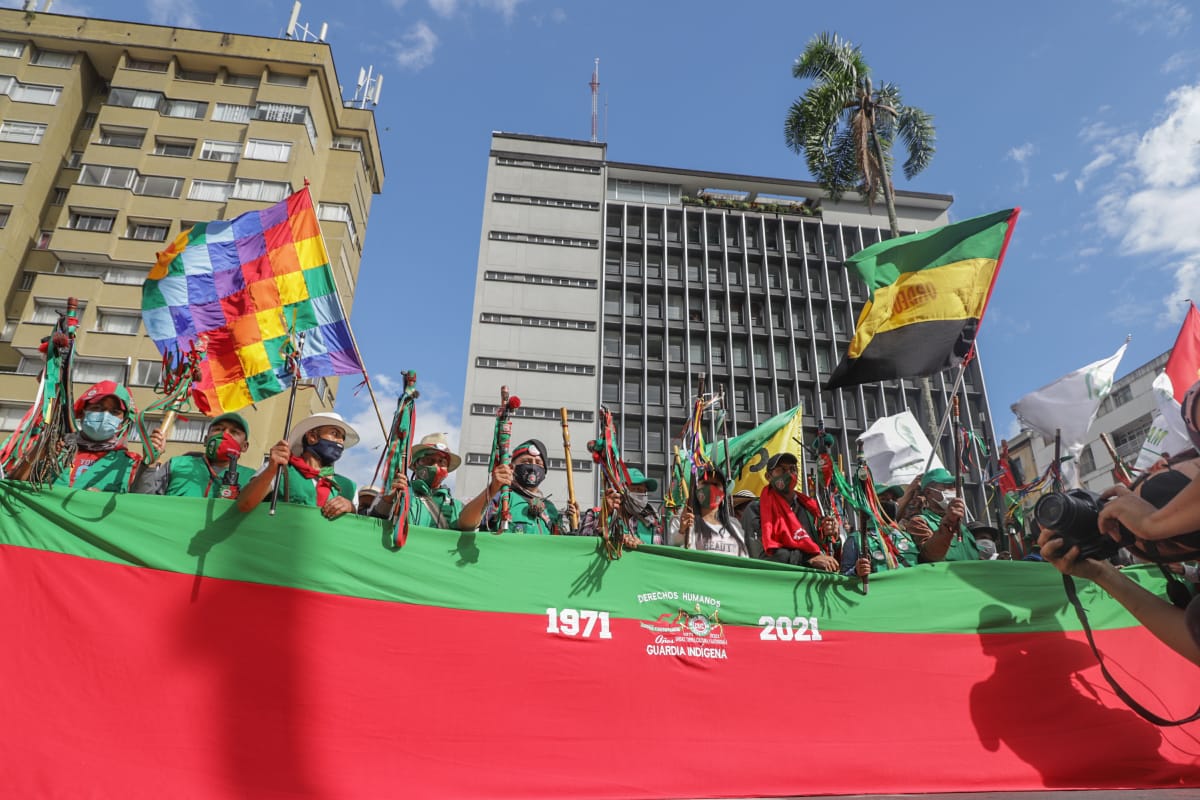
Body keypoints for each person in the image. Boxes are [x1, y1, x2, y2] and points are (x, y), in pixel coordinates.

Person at [15, 380, 144, 492]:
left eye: (114, 412)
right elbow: (12, 488)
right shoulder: (56, 449)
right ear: (82, 413)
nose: (104, 415)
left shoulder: (130, 464)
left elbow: (138, 510)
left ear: (123, 422)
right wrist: (39, 451)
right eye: (97, 408)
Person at [372, 432, 512, 531]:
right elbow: (372, 525)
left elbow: (468, 525)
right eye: (429, 460)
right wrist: (388, 499)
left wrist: (492, 489)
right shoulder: (398, 493)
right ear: (414, 464)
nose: (436, 466)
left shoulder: (456, 506)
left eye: (441, 462)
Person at [237, 412, 358, 520]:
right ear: (312, 437)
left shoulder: (349, 487)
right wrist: (270, 470)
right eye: (334, 433)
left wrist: (351, 508)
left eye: (342, 437)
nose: (340, 441)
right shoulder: (279, 468)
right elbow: (244, 504)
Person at [740, 452, 839, 571]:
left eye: (792, 469)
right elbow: (758, 555)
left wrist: (834, 537)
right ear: (768, 476)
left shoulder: (809, 508)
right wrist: (807, 560)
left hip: (811, 583)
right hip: (777, 582)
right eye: (781, 470)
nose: (788, 474)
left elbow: (826, 551)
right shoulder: (756, 509)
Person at [134, 413, 255, 498]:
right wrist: (150, 462)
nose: (224, 435)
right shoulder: (177, 464)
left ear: (245, 446)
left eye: (234, 432)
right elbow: (143, 498)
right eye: (218, 429)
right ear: (205, 440)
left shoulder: (253, 479)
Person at [483, 438, 577, 535]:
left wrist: (574, 524)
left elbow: (558, 545)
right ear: (512, 468)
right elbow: (469, 525)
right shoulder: (502, 498)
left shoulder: (550, 509)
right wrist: (492, 488)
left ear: (544, 472)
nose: (532, 466)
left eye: (538, 463)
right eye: (526, 462)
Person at [668, 466, 747, 557]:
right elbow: (674, 552)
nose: (710, 488)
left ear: (724, 492)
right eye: (705, 483)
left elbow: (744, 559)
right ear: (696, 488)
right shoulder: (683, 520)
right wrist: (682, 532)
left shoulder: (735, 526)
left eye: (716, 484)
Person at [916, 468, 979, 561]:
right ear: (929, 492)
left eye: (954, 485)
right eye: (947, 486)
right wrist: (948, 522)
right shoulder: (920, 522)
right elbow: (930, 556)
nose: (953, 490)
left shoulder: (962, 527)